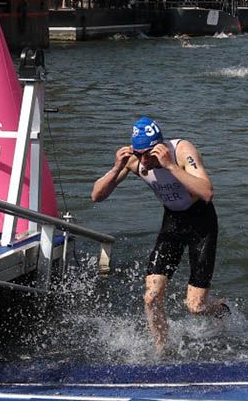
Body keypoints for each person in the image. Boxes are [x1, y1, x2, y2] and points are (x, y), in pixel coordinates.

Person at [90, 117, 227, 355]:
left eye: (149, 154)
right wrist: (115, 168)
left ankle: (223, 309)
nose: (144, 161)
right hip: (172, 221)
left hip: (201, 222)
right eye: (138, 153)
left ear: (160, 146)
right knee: (151, 297)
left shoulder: (183, 150)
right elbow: (96, 196)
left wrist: (171, 166)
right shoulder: (134, 161)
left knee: (195, 306)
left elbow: (207, 192)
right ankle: (161, 349)